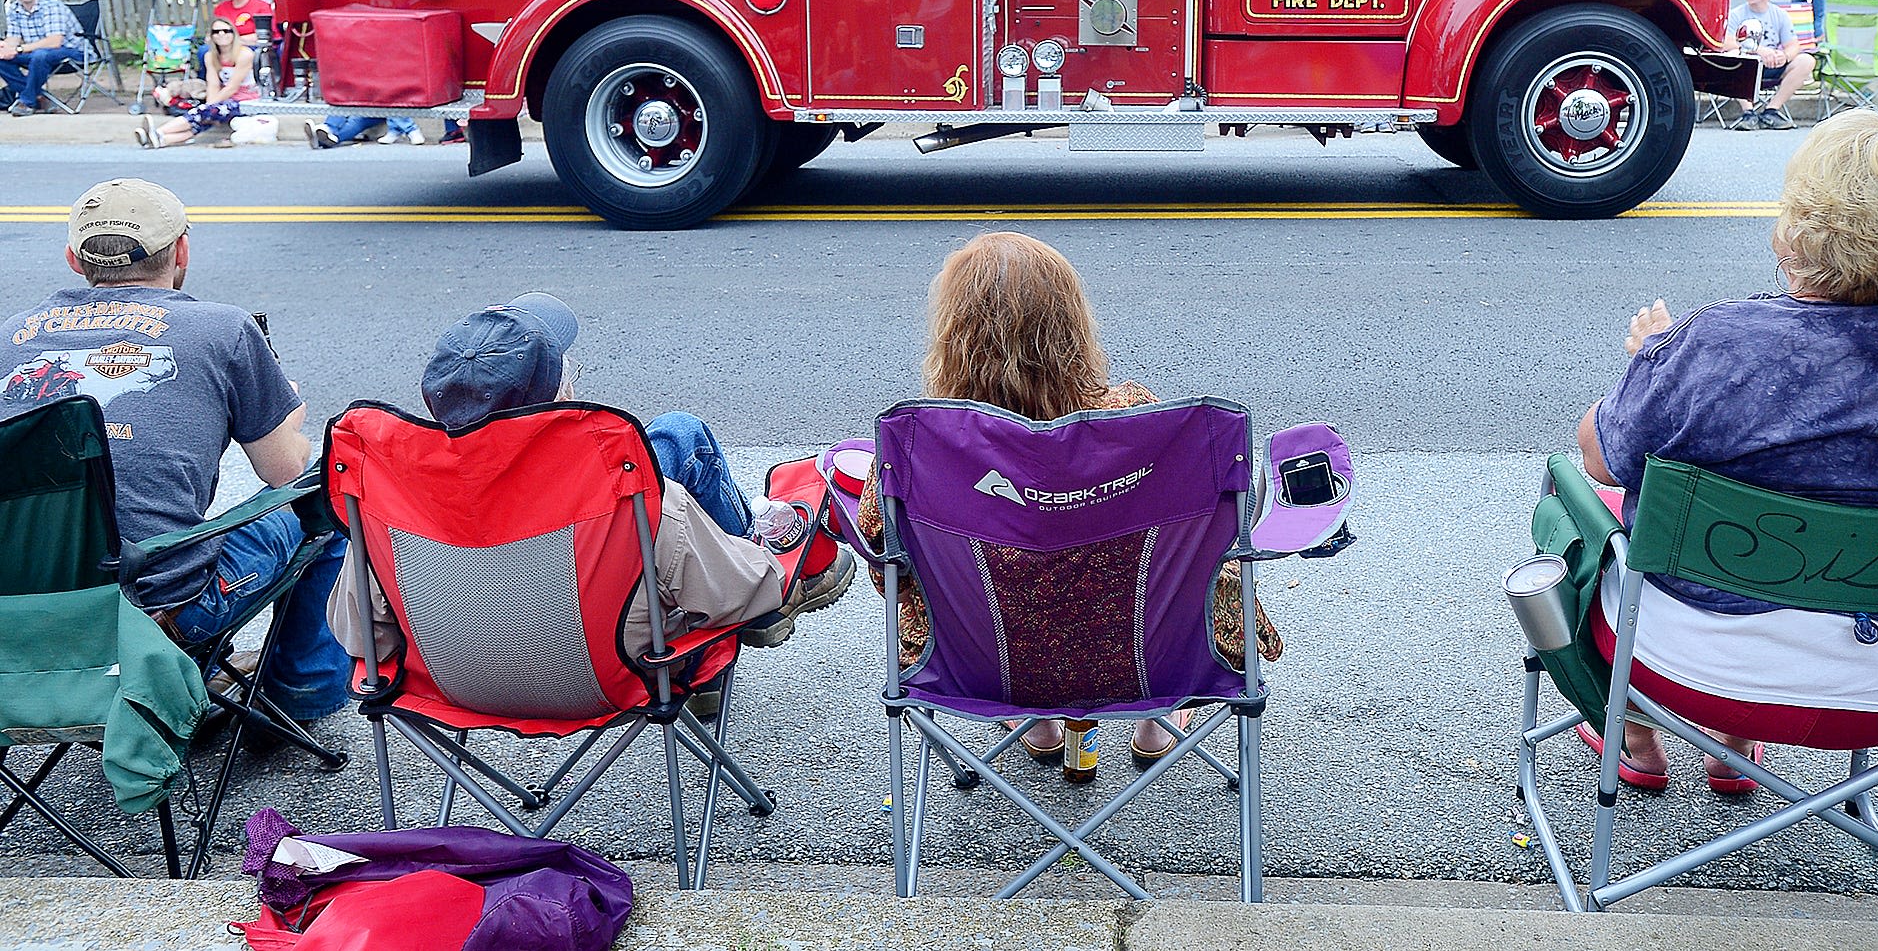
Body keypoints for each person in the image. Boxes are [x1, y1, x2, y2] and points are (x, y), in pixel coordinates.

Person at [1572, 111, 1878, 793]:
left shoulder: (1715, 346)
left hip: (1707, 670)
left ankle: (1638, 735)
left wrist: (1655, 362)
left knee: (1575, 507)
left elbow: (1599, 457)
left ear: (1794, 233)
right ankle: (1732, 747)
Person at [855, 232, 1283, 771]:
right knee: (1201, 544)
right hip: (1151, 660)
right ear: (1072, 326)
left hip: (987, 665)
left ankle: (1036, 714)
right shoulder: (1139, 422)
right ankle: (1156, 718)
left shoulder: (924, 444)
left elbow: (881, 552)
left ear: (952, 337)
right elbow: (1211, 540)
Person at [328, 293, 854, 664]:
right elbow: (738, 591)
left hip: (457, 683)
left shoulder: (388, 505)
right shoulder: (630, 493)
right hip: (613, 670)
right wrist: (778, 567)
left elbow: (360, 635)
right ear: (558, 399)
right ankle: (747, 550)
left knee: (673, 443)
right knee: (679, 443)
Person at [0, 179, 351, 722]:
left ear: (73, 258)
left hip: (26, 617)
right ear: (182, 249)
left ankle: (187, 673)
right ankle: (298, 695)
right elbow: (284, 471)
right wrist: (290, 412)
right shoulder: (221, 329)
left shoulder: (9, 337)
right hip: (164, 610)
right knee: (327, 502)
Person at [139, 17, 260, 147]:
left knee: (203, 112)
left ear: (233, 34)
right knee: (201, 121)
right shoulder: (210, 56)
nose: (221, 34)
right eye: (216, 32)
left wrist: (209, 107)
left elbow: (232, 87)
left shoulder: (244, 54)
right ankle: (161, 140)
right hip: (224, 100)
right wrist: (209, 105)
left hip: (245, 101)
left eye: (226, 31)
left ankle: (158, 131)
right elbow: (213, 84)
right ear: (211, 36)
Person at [1726, 0, 1810, 129]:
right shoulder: (1736, 15)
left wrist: (1784, 56)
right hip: (1746, 68)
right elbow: (1726, 42)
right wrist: (1758, 51)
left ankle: (1771, 111)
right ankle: (1748, 113)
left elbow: (1793, 45)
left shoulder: (1780, 15)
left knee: (1806, 61)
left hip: (1773, 66)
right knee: (1731, 56)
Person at [1, 0, 88, 116]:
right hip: (37, 54)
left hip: (73, 52)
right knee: (2, 57)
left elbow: (54, 42)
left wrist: (19, 49)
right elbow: (13, 39)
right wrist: (5, 48)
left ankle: (27, 101)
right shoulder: (14, 9)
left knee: (40, 55)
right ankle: (39, 97)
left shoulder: (50, 5)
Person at [306, 115, 425, 148]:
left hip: (379, 102)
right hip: (360, 96)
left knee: (356, 121)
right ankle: (327, 132)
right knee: (343, 102)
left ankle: (324, 134)